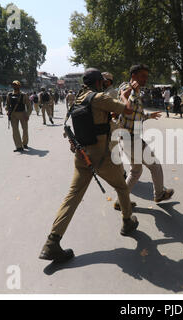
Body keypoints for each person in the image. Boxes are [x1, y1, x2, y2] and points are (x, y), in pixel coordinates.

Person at [38, 68, 139, 263]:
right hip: (101, 157)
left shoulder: (77, 98)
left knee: (73, 196)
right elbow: (127, 109)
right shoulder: (99, 98)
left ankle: (51, 243)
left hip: (82, 155)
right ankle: (127, 222)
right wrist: (126, 94)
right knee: (121, 187)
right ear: (99, 82)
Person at [115, 64, 174, 211]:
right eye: (143, 76)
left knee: (136, 171)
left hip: (129, 137)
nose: (145, 79)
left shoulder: (137, 91)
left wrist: (148, 115)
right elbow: (125, 105)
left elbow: (134, 115)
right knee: (155, 165)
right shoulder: (126, 87)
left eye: (146, 76)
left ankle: (120, 201)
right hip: (129, 138)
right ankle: (159, 194)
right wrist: (131, 91)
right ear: (134, 75)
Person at [6, 80, 31, 152]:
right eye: (13, 85)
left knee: (25, 130)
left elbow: (29, 106)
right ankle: (19, 146)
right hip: (13, 114)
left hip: (23, 114)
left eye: (16, 85)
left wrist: (27, 114)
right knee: (15, 130)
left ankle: (25, 143)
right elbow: (7, 105)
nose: (14, 86)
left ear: (19, 86)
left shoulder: (24, 95)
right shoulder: (9, 94)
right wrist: (8, 111)